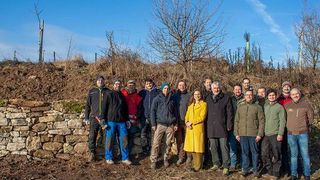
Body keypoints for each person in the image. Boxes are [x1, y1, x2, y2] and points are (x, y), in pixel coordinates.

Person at [234, 90, 265, 178]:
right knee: (244, 153)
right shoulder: (240, 107)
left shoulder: (258, 107)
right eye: (247, 95)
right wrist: (236, 133)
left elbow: (261, 121)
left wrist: (260, 134)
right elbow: (236, 121)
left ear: (253, 96)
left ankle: (255, 170)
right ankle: (245, 169)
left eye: (250, 95)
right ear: (244, 96)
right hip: (242, 134)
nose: (249, 96)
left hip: (254, 134)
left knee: (254, 152)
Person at [285, 88, 313, 180]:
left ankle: (307, 174)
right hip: (291, 134)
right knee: (293, 155)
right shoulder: (287, 106)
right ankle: (294, 174)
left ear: (299, 94)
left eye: (297, 94)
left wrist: (305, 126)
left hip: (303, 134)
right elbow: (284, 118)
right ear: (290, 95)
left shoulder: (306, 105)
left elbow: (311, 118)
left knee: (305, 155)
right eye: (293, 94)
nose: (295, 95)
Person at [206, 81, 233, 176]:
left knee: (224, 146)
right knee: (213, 146)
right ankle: (216, 163)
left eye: (217, 88)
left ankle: (226, 166)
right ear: (211, 89)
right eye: (214, 88)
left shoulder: (226, 98)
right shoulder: (208, 97)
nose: (216, 89)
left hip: (222, 126)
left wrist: (229, 124)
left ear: (220, 88)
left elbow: (229, 112)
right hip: (211, 126)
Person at [150, 83, 178, 170]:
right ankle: (154, 160)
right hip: (160, 124)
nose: (166, 89)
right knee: (156, 143)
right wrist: (153, 124)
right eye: (164, 88)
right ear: (162, 89)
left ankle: (165, 158)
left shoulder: (172, 99)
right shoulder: (157, 99)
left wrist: (176, 123)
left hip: (170, 125)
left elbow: (175, 113)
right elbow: (152, 112)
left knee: (167, 144)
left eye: (167, 88)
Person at [104, 80, 132, 165]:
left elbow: (125, 109)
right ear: (113, 85)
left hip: (121, 121)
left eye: (119, 84)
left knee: (124, 139)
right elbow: (104, 107)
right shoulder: (109, 94)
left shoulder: (122, 96)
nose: (118, 85)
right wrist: (103, 119)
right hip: (111, 121)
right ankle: (108, 157)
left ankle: (125, 158)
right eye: (116, 84)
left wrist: (127, 119)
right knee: (110, 139)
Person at [261, 89, 286, 179]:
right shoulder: (265, 106)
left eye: (273, 95)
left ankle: (276, 173)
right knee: (264, 153)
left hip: (275, 134)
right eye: (270, 95)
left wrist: (280, 133)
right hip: (266, 134)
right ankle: (269, 170)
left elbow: (283, 121)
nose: (271, 97)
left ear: (275, 96)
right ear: (267, 96)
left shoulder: (279, 107)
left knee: (276, 154)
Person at [84, 75, 110, 162]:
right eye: (98, 80)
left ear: (104, 81)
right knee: (92, 136)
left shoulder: (108, 91)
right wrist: (86, 117)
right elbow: (87, 105)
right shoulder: (92, 91)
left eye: (102, 80)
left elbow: (111, 106)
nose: (100, 82)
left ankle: (107, 155)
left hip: (105, 118)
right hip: (94, 118)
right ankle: (92, 153)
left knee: (106, 137)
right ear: (96, 81)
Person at [184, 89, 207, 172]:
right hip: (190, 129)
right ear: (193, 96)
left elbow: (202, 117)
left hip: (197, 128)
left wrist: (191, 122)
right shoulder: (190, 106)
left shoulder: (204, 104)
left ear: (200, 95)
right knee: (192, 148)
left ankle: (198, 166)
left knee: (198, 149)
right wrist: (187, 123)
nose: (197, 95)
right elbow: (186, 116)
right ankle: (194, 165)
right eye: (195, 94)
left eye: (198, 94)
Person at [172, 80, 192, 165]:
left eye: (183, 85)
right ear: (177, 86)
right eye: (180, 85)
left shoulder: (190, 95)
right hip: (178, 122)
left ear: (186, 86)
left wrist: (190, 120)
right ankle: (181, 157)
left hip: (187, 122)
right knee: (179, 140)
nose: (181, 86)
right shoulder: (174, 96)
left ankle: (189, 157)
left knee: (188, 140)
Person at [138, 79, 160, 154]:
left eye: (150, 83)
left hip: (154, 117)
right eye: (147, 83)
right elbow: (138, 104)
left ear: (152, 84)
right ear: (145, 84)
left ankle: (152, 149)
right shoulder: (142, 92)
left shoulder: (157, 92)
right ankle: (144, 148)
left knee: (154, 133)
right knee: (143, 133)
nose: (149, 85)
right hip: (144, 116)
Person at [121, 80, 143, 153]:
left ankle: (128, 153)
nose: (131, 86)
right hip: (123, 119)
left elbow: (140, 109)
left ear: (135, 86)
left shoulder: (138, 96)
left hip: (133, 120)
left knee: (130, 136)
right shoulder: (123, 94)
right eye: (129, 85)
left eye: (132, 85)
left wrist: (136, 117)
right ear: (127, 85)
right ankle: (122, 152)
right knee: (122, 136)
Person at [277, 81, 293, 174]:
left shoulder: (293, 98)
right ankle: (283, 167)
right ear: (282, 88)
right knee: (282, 148)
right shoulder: (278, 99)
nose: (286, 88)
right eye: (284, 86)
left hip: (291, 126)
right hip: (281, 127)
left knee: (291, 148)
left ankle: (291, 167)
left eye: (288, 86)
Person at [229, 84, 244, 171]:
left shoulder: (245, 99)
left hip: (242, 126)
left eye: (239, 89)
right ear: (233, 90)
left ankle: (243, 164)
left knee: (243, 147)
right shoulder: (230, 99)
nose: (237, 91)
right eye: (236, 89)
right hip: (232, 126)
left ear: (241, 90)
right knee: (232, 146)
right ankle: (233, 164)